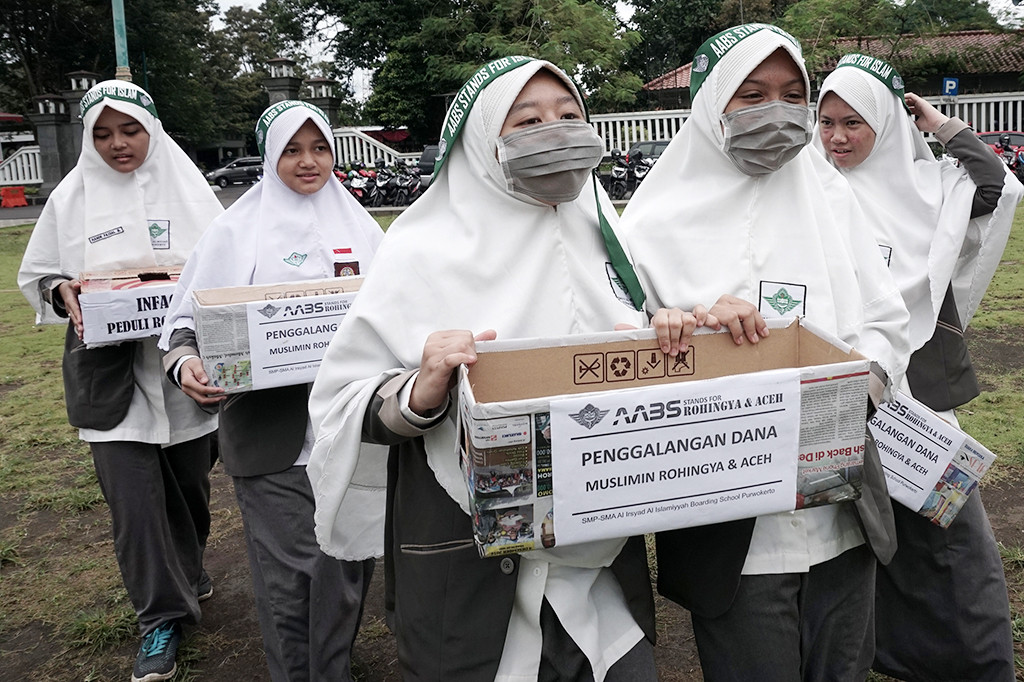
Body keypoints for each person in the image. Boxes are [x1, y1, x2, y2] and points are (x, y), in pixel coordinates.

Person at [305, 57, 689, 681]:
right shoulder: (421, 246)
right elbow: (345, 400)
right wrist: (421, 391)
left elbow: (635, 341)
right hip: (467, 553)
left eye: (570, 117)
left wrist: (664, 333)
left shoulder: (604, 232)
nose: (556, 132)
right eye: (529, 121)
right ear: (483, 140)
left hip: (597, 548)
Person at [619, 25, 912, 681]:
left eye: (790, 94)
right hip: (733, 535)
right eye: (750, 95)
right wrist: (687, 331)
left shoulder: (833, 201)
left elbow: (887, 321)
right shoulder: (648, 227)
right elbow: (623, 357)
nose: (775, 111)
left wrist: (850, 389)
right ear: (710, 104)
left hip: (842, 513)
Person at [814, 55, 1023, 682]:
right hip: (846, 395)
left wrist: (941, 126)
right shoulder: (812, 189)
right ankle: (885, 653)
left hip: (921, 399)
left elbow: (997, 186)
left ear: (887, 121)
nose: (838, 138)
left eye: (855, 122)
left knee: (952, 539)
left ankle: (978, 662)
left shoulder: (929, 186)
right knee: (855, 537)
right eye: (826, 122)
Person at [158, 100, 382, 681]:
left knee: (348, 563)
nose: (309, 162)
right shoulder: (235, 231)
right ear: (268, 156)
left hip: (352, 429)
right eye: (291, 149)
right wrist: (187, 364)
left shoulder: (360, 227)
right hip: (271, 438)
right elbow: (185, 323)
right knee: (293, 573)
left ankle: (329, 665)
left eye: (321, 148)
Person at [18, 80, 223, 682]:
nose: (117, 145)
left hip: (182, 368)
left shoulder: (190, 191)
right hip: (108, 377)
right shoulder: (71, 197)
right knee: (134, 505)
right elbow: (42, 275)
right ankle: (159, 619)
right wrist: (64, 292)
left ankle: (188, 568)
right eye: (103, 134)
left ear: (152, 129)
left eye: (129, 130)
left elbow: (225, 265)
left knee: (190, 491)